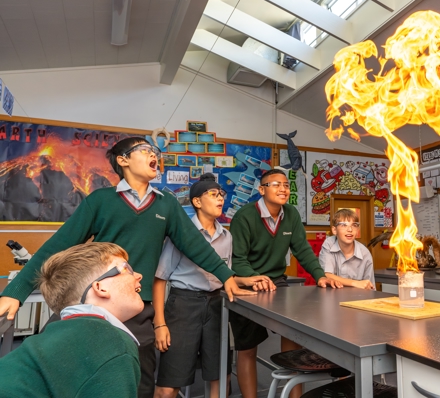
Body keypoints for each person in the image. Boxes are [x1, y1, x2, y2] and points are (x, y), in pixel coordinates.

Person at [0, 137, 252, 398]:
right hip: (94, 303)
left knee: (139, 382)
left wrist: (227, 276)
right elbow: (56, 249)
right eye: (145, 150)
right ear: (123, 160)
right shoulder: (100, 200)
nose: (154, 154)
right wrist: (15, 291)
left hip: (138, 309)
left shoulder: (167, 203)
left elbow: (195, 246)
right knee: (70, 370)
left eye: (155, 150)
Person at [153, 174, 275, 398]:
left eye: (222, 194)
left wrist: (246, 280)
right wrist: (159, 323)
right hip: (183, 307)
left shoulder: (226, 237)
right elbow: (160, 279)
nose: (220, 199)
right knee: (169, 385)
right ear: (197, 202)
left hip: (217, 306)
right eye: (213, 194)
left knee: (221, 377)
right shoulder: (180, 234)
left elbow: (223, 276)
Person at [229, 168, 342, 398]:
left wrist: (320, 275)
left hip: (277, 283)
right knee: (247, 348)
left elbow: (303, 250)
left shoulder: (290, 214)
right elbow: (237, 260)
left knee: (291, 337)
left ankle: (294, 396)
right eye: (276, 184)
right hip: (247, 285)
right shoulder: (244, 216)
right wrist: (254, 278)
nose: (283, 189)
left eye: (286, 185)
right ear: (262, 190)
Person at [0, 242, 143, 398]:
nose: (138, 275)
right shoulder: (113, 343)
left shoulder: (56, 336)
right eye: (126, 269)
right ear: (100, 288)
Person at [319, 208, 375, 290]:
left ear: (357, 230)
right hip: (331, 297)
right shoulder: (329, 244)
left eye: (354, 225)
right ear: (334, 230)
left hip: (357, 299)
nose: (350, 230)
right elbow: (327, 275)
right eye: (344, 225)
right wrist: (355, 283)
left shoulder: (365, 253)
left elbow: (369, 285)